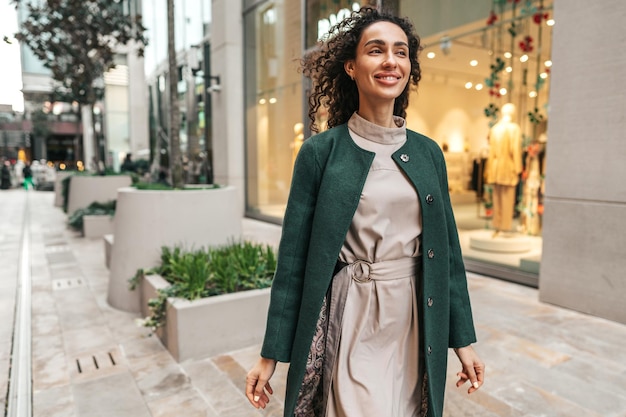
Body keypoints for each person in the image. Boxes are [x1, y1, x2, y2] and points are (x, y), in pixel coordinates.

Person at [245, 7, 484, 417]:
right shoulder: (321, 153)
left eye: (401, 52)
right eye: (376, 50)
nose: (391, 61)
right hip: (353, 313)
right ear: (352, 67)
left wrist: (462, 339)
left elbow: (448, 256)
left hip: (414, 317)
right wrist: (271, 355)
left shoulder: (428, 153)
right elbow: (293, 262)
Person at [486, 102, 522, 235]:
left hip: (495, 168)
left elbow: (491, 152)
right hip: (508, 167)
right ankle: (505, 227)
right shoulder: (514, 128)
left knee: (497, 198)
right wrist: (518, 169)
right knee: (507, 199)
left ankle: (497, 224)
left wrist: (489, 170)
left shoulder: (495, 128)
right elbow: (515, 150)